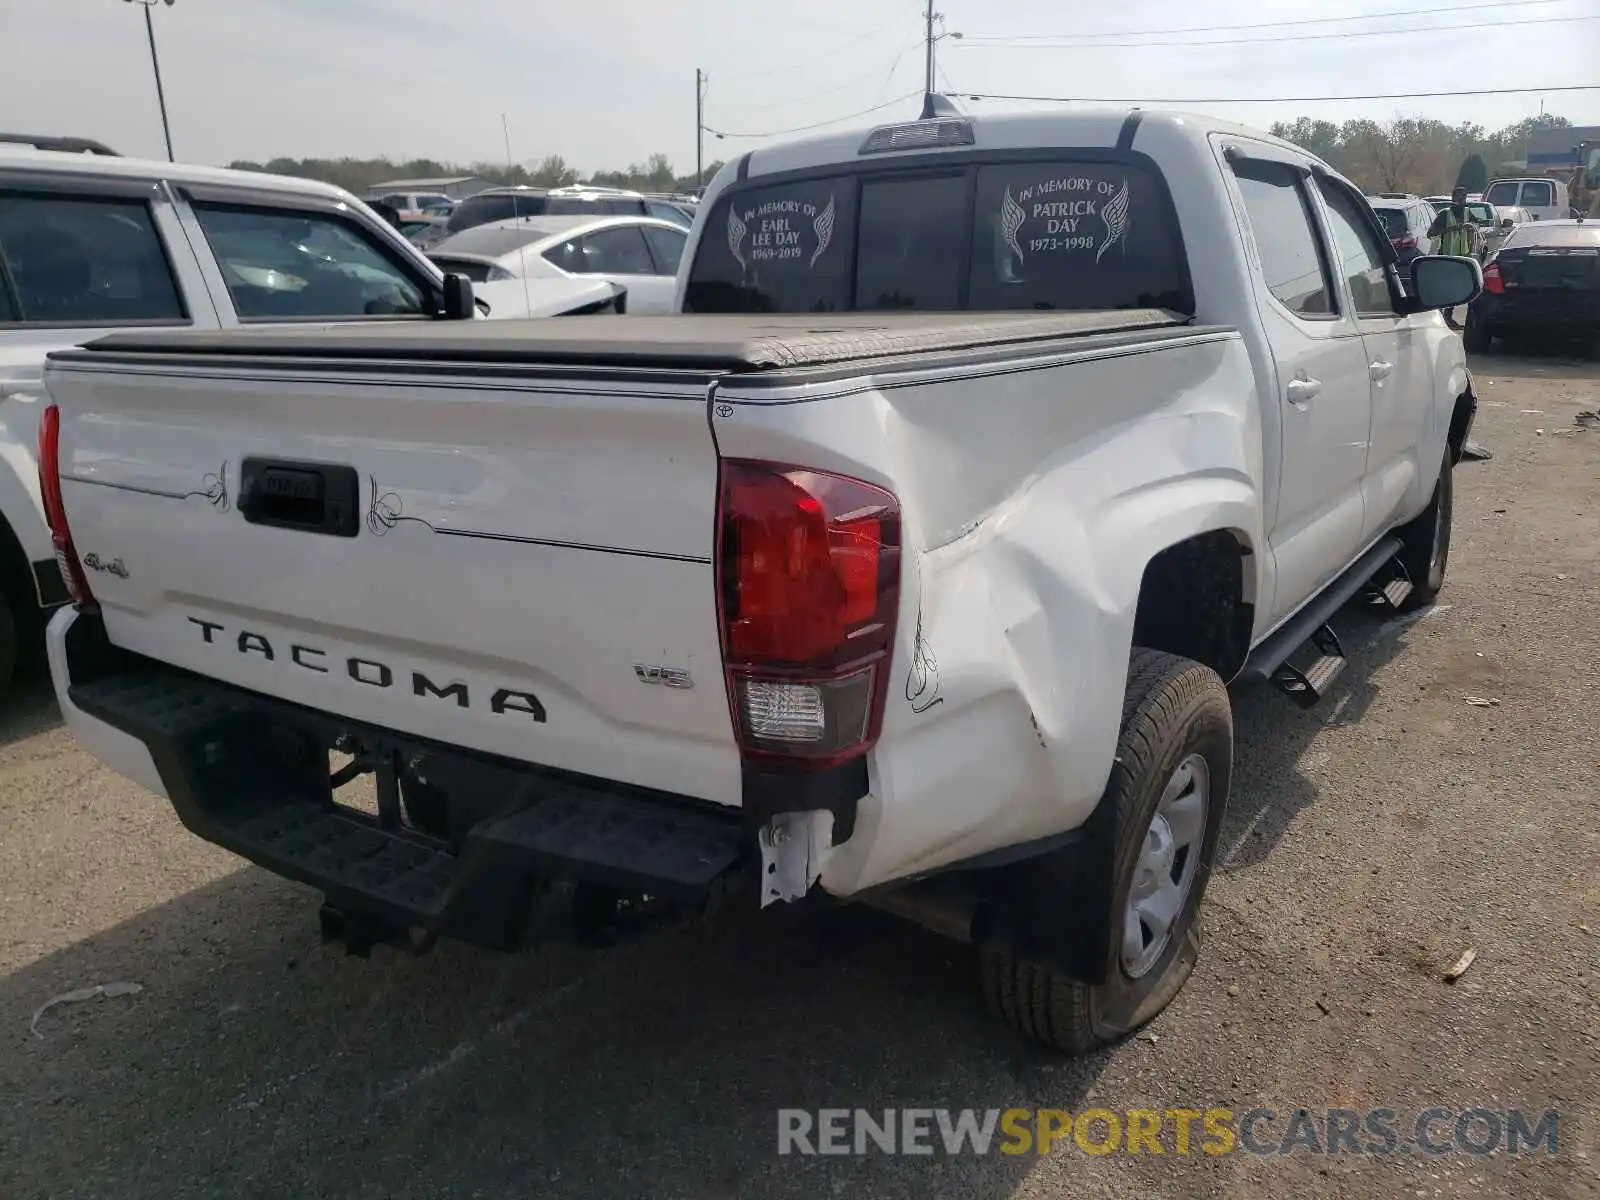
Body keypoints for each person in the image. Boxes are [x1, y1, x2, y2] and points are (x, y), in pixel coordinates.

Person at [1427, 186, 1477, 331]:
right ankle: (1440, 316)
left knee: (1455, 289)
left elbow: (1475, 229)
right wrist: (1454, 229)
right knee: (1444, 289)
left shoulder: (1468, 213)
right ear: (1453, 198)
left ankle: (1448, 317)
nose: (1462, 199)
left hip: (1462, 258)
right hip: (1446, 256)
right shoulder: (1445, 214)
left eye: (1464, 196)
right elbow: (1431, 233)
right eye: (1459, 196)